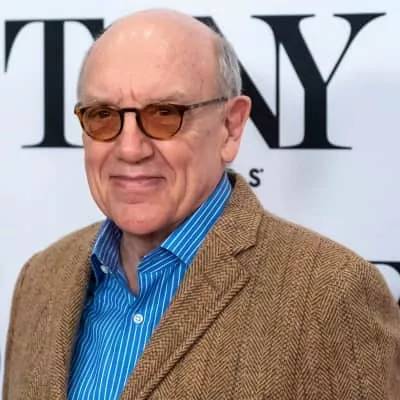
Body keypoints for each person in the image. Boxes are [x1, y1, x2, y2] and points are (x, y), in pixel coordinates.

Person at [3, 8, 400, 400]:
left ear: (231, 126)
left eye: (164, 114)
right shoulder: (42, 279)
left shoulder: (330, 294)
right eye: (103, 115)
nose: (129, 149)